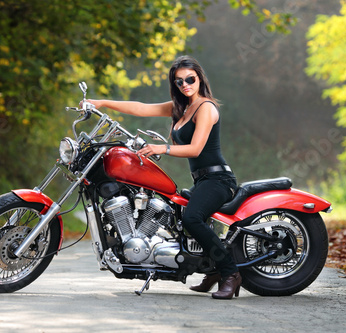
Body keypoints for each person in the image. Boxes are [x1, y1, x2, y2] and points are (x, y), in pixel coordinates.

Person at [85, 55, 241, 300]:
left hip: (218, 180)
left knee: (192, 218)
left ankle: (229, 273)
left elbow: (196, 149)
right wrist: (102, 103)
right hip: (202, 181)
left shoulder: (206, 108)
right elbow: (141, 108)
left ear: (200, 78)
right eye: (179, 82)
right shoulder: (181, 107)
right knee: (175, 214)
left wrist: (161, 148)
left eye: (190, 79)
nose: (185, 84)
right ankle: (211, 269)